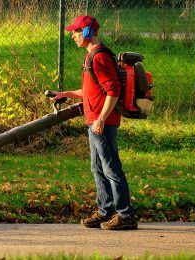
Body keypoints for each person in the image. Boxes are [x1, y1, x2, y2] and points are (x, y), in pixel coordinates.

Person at [50, 15, 137, 230]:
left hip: (102, 123)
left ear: (87, 32)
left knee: (110, 168)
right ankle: (104, 211)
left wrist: (101, 118)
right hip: (96, 121)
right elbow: (91, 90)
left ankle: (125, 215)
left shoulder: (99, 57)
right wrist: (66, 93)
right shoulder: (91, 57)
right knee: (97, 168)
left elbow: (113, 89)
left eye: (76, 32)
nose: (73, 36)